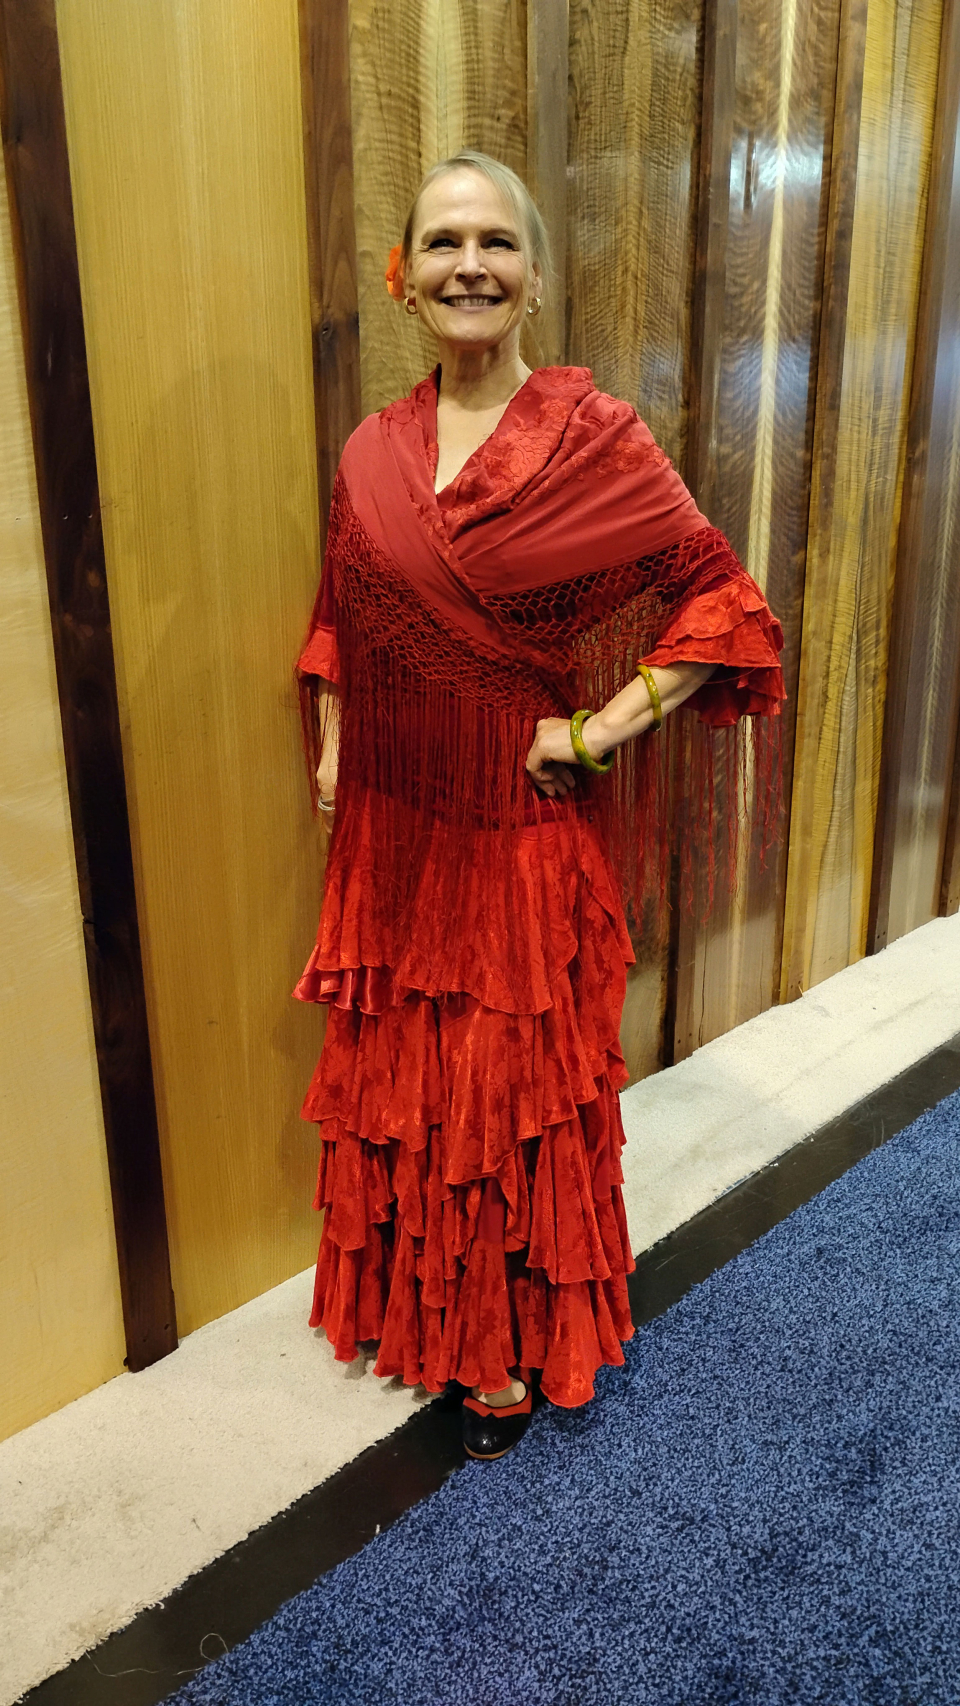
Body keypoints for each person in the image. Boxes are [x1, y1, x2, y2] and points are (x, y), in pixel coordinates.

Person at [294, 151, 784, 1461]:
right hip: (395, 831)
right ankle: (425, 1318)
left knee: (504, 1090)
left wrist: (598, 725)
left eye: (496, 242)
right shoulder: (370, 450)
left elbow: (719, 600)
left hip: (515, 829)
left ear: (533, 274)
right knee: (413, 1084)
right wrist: (338, 740)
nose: (470, 264)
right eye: (445, 241)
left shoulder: (593, 440)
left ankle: (502, 1342)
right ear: (405, 275)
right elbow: (345, 614)